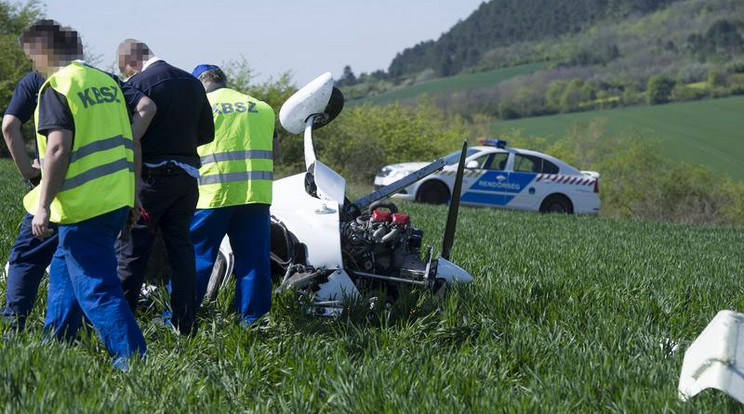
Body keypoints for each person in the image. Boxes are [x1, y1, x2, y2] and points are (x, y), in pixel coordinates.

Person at [19, 20, 156, 367]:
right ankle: (56, 348)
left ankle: (133, 361)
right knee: (65, 274)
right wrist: (133, 195)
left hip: (83, 206)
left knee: (96, 287)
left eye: (31, 57)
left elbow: (57, 149)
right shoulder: (108, 82)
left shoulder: (58, 86)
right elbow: (131, 141)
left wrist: (43, 205)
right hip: (114, 198)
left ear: (43, 52)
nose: (33, 65)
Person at [115, 40, 214, 336]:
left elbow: (128, 135)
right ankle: (185, 324)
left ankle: (123, 327)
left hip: (150, 181)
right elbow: (206, 134)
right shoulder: (193, 83)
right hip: (186, 180)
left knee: (132, 251)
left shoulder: (138, 85)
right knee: (181, 252)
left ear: (132, 62)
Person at [190, 65, 275, 325]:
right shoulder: (261, 107)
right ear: (224, 81)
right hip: (255, 196)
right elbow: (276, 152)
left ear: (199, 83)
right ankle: (253, 322)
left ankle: (180, 319)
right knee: (254, 263)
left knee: (197, 260)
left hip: (212, 196)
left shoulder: (199, 106)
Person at [1, 64, 54, 331]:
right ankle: (66, 330)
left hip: (53, 188)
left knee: (26, 257)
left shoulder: (37, 80)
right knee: (77, 261)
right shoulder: (100, 81)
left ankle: (12, 325)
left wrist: (29, 174)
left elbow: (9, 125)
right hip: (101, 189)